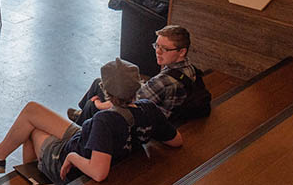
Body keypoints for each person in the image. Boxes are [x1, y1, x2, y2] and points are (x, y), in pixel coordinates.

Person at [0, 59, 181, 185]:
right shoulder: (148, 108)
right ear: (137, 87)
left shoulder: (104, 120)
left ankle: (34, 184)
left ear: (105, 90)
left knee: (31, 131)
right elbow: (176, 141)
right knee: (32, 109)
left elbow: (99, 172)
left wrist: (71, 156)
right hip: (87, 139)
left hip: (68, 160)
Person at [68, 25, 197, 124]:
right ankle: (82, 114)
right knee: (99, 86)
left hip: (145, 120)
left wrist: (99, 105)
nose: (158, 51)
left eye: (165, 49)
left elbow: (126, 101)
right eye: (157, 45)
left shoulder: (162, 81)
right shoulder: (189, 68)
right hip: (165, 112)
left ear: (181, 52)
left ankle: (83, 121)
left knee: (97, 89)